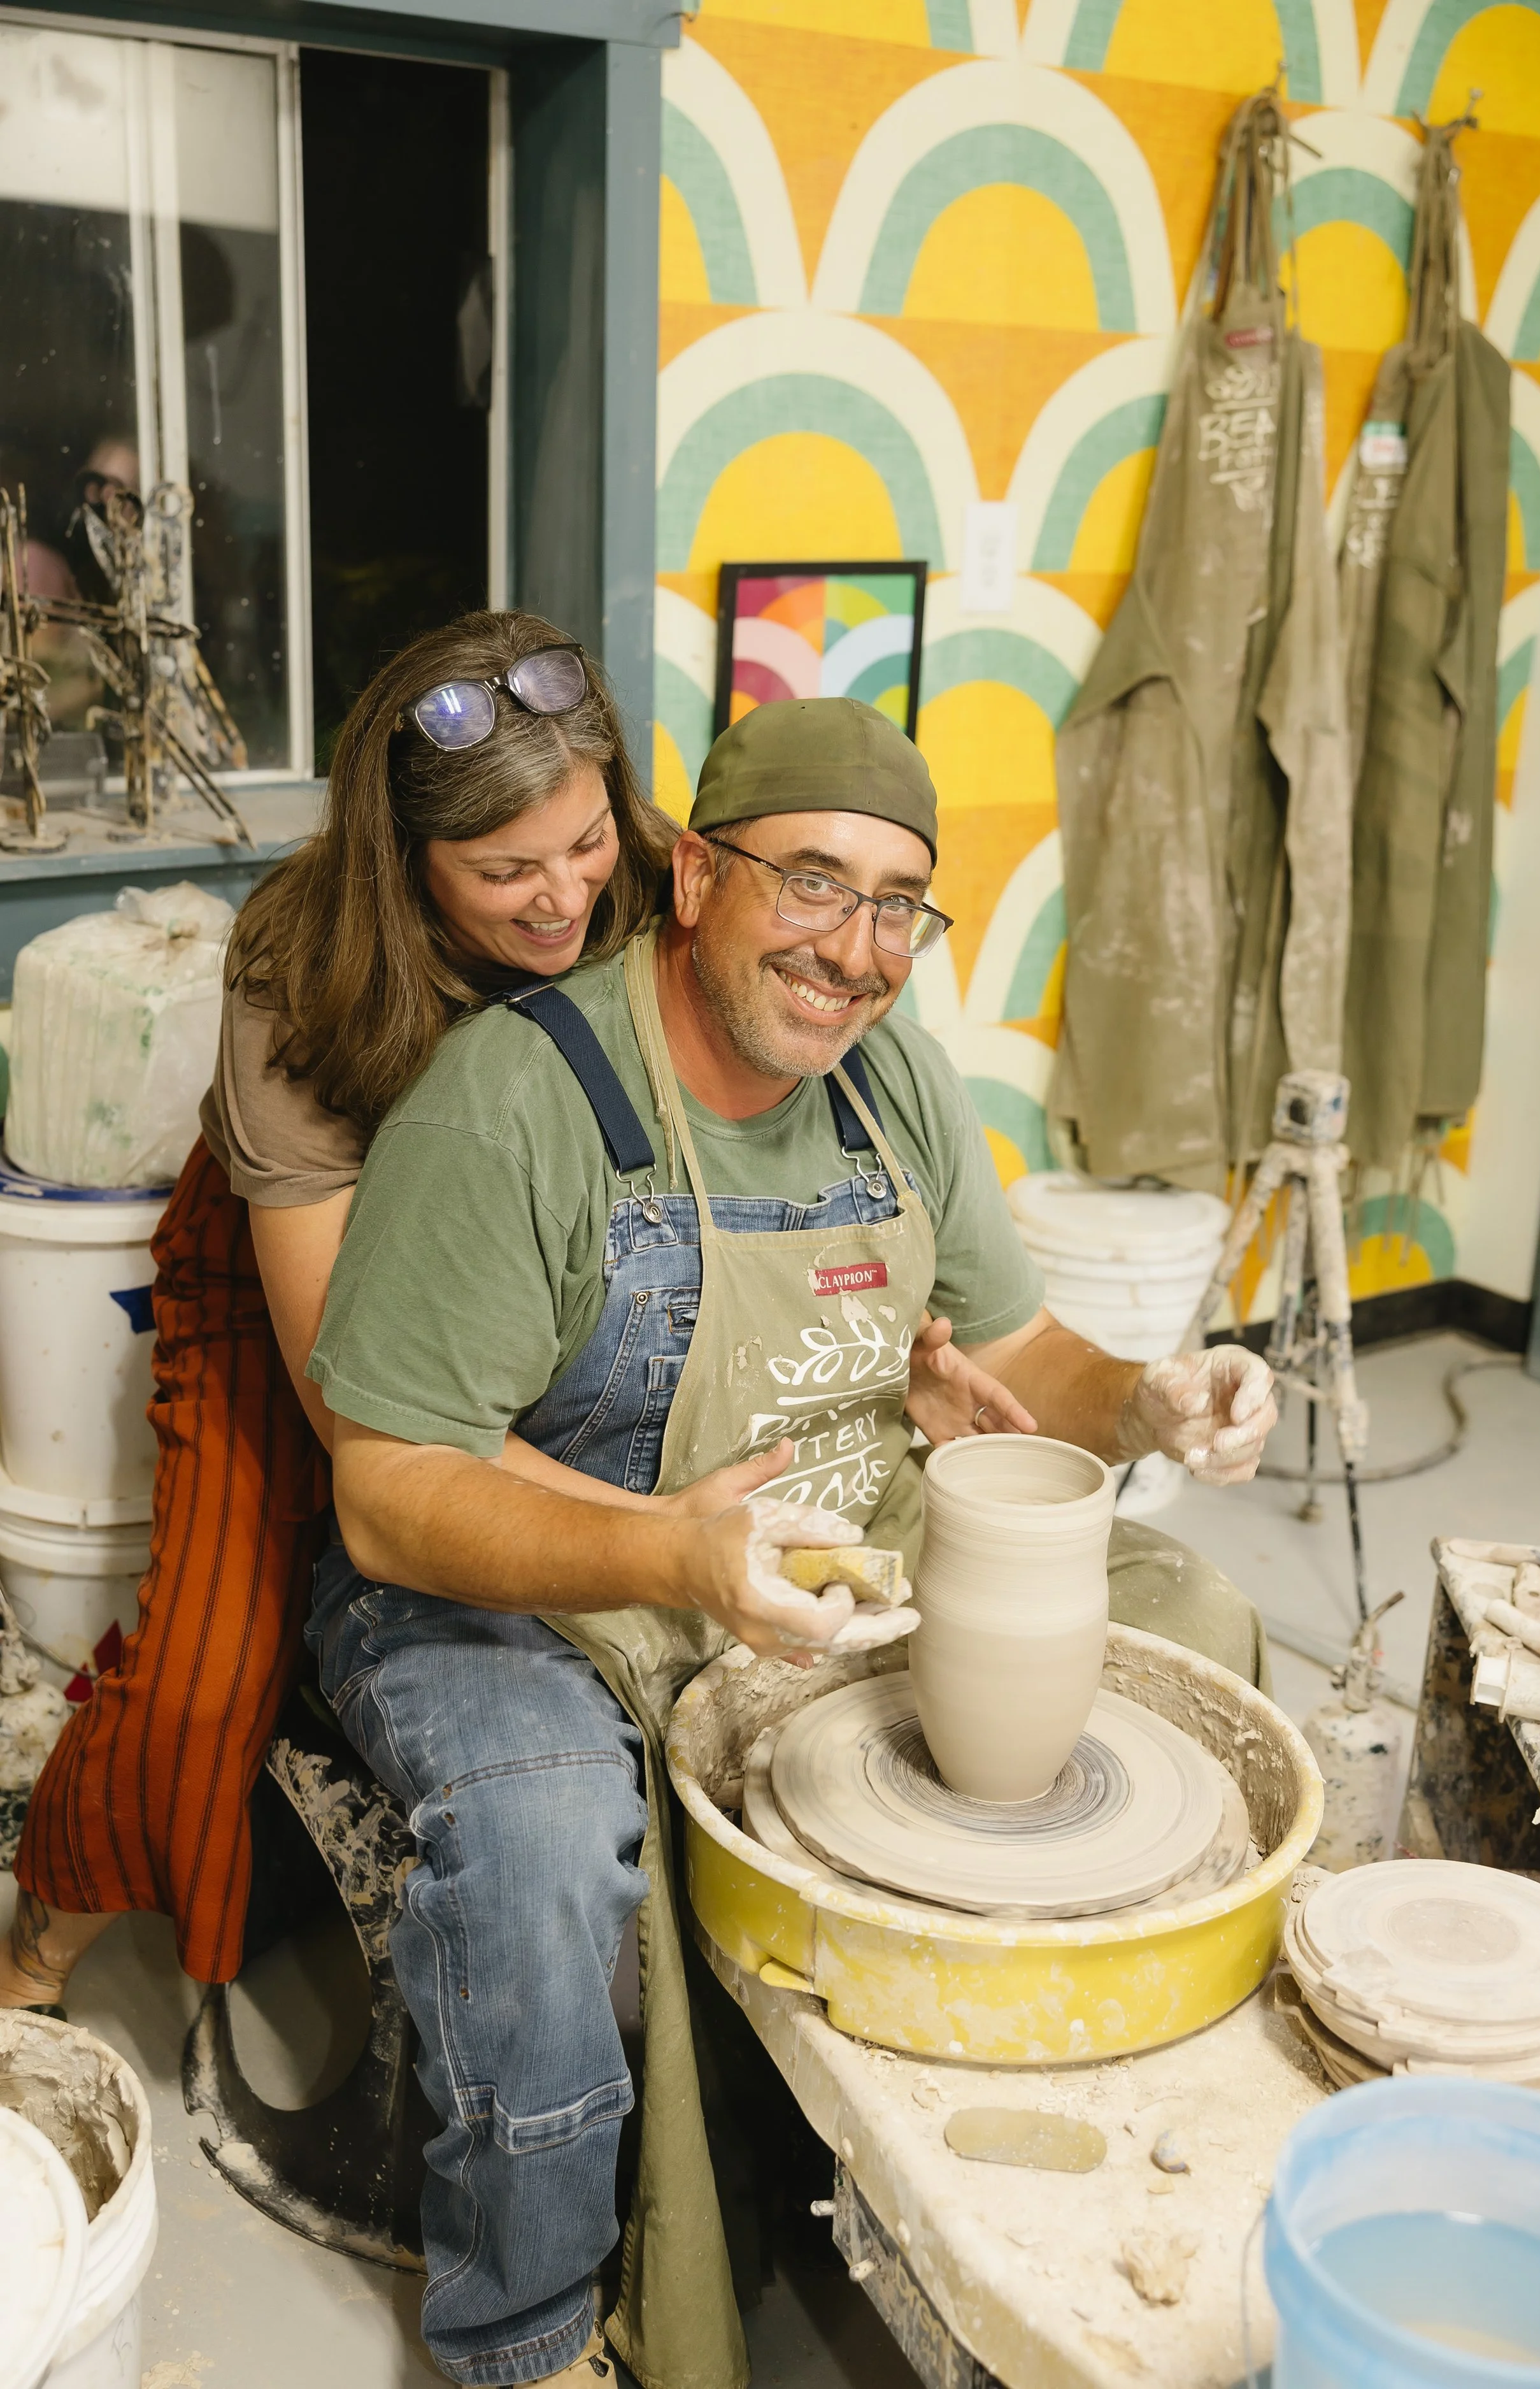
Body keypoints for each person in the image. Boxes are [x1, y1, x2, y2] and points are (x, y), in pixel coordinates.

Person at [303, 695, 1280, 2389]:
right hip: (510, 1558)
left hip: (821, 1530)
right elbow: (390, 1485)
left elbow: (1023, 1356)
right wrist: (675, 1556)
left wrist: (1148, 1395)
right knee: (538, 1856)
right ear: (694, 878)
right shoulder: (513, 1106)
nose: (858, 949)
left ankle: (995, 2128)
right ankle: (526, 2330)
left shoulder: (887, 1071)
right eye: (812, 883)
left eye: (899, 902)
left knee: (1186, 1614)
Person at [3, 624, 1018, 2018]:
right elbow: (370, 1425)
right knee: (203, 1669)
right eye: (503, 873)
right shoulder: (297, 978)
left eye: (588, 845)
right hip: (304, 1288)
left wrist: (874, 1350)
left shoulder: (667, 876)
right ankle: (38, 1941)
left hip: (542, 1282)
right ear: (407, 859)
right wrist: (661, 1541)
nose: (560, 903)